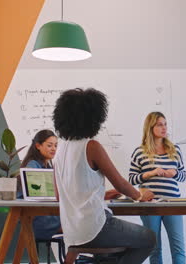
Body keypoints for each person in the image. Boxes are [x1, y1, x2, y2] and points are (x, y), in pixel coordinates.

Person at [52, 88, 156, 264]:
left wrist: (103, 195)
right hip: (96, 228)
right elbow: (121, 183)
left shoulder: (59, 150)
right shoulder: (91, 146)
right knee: (149, 238)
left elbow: (59, 196)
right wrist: (140, 195)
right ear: (94, 118)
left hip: (72, 233)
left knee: (111, 254)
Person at [129, 111, 186, 264]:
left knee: (178, 249)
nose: (164, 128)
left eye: (165, 124)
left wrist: (174, 173)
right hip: (150, 205)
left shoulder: (175, 150)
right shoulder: (139, 152)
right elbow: (131, 179)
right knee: (154, 250)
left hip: (173, 204)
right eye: (160, 124)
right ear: (150, 127)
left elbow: (183, 176)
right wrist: (150, 174)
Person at [19, 129, 61, 241]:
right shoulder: (33, 165)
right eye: (50, 145)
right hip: (40, 220)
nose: (54, 149)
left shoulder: (48, 166)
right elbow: (38, 195)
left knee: (76, 220)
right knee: (77, 222)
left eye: (56, 145)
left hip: (47, 216)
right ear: (38, 146)